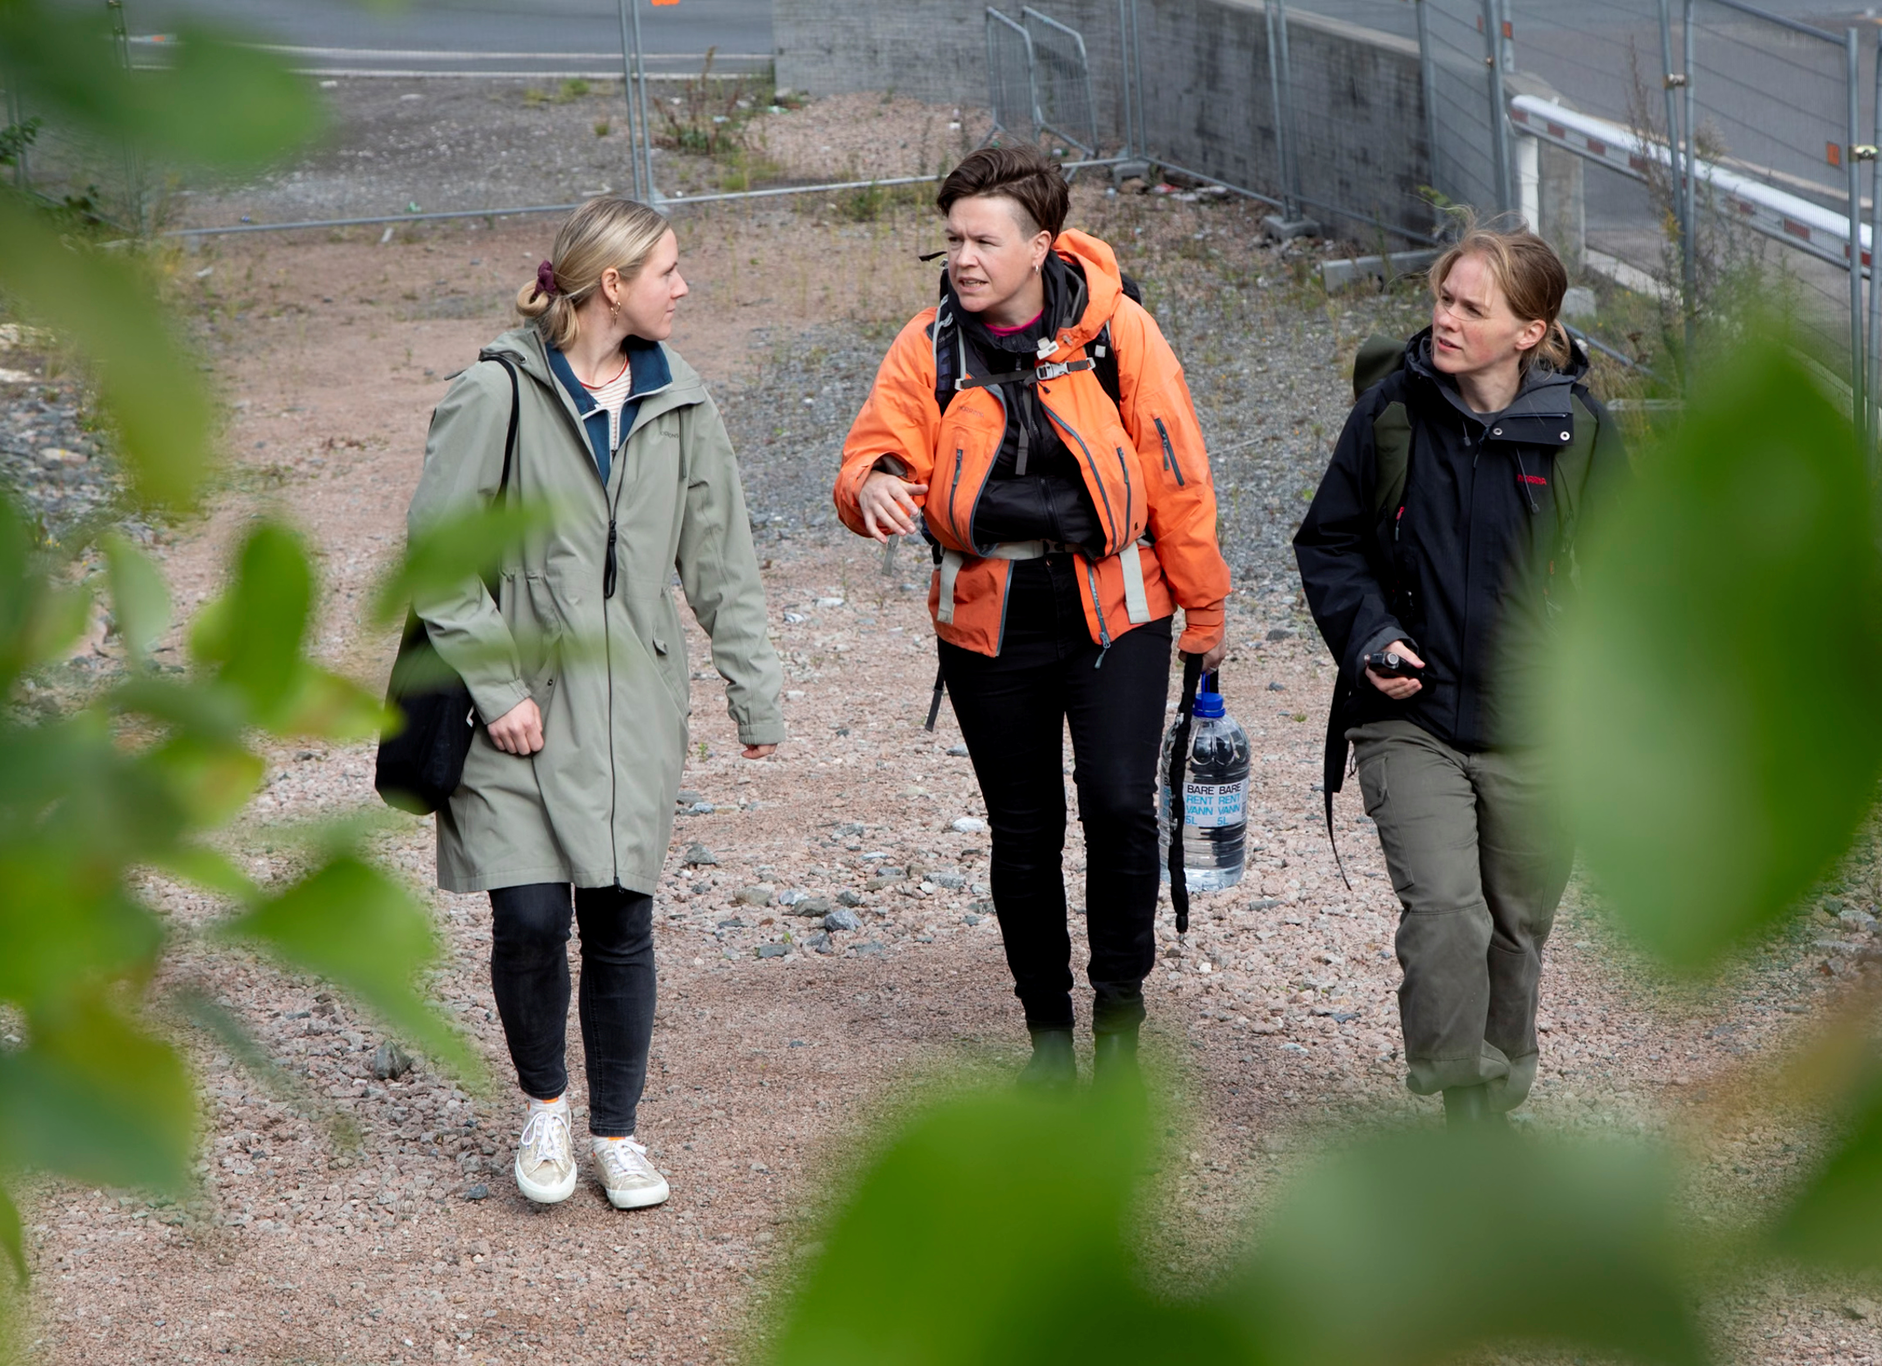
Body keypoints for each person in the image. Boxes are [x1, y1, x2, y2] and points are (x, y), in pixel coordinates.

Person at [407, 196, 784, 1206]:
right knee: (530, 917)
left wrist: (754, 694)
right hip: (511, 711)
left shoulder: (682, 401)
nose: (684, 287)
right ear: (611, 285)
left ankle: (617, 1133)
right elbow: (439, 558)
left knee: (619, 919)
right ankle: (545, 1106)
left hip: (631, 708)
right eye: (668, 270)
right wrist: (497, 689)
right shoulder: (495, 391)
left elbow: (722, 562)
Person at [834, 146, 1230, 1085]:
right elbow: (871, 458)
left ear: (1041, 245)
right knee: (1025, 831)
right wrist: (874, 483)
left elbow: (1177, 473)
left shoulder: (1118, 331)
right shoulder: (928, 345)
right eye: (953, 241)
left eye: (983, 241)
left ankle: (1120, 1028)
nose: (963, 259)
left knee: (1121, 808)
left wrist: (1205, 611)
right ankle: (1049, 1043)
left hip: (1116, 608)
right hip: (990, 615)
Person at [1293, 221, 1625, 1126]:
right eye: (1444, 298)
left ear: (1528, 332)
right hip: (1412, 717)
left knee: (1516, 926)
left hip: (1540, 730)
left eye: (1472, 309)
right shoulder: (1392, 413)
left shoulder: (1580, 436)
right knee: (1447, 911)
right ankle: (1466, 1102)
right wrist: (1370, 636)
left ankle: (1499, 1084)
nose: (1445, 318)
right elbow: (1329, 543)